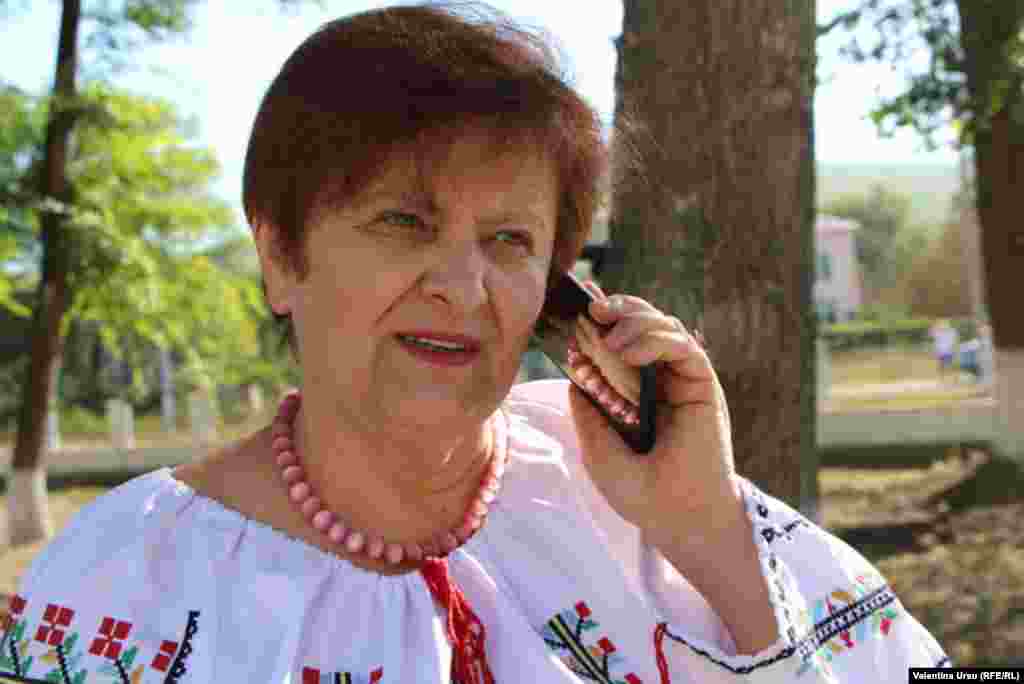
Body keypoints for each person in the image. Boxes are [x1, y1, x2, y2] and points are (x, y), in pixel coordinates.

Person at [1, 5, 949, 682]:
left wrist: (708, 535)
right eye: (403, 222)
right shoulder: (122, 584)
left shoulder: (656, 510)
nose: (463, 289)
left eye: (509, 241)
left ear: (559, 292)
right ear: (281, 257)